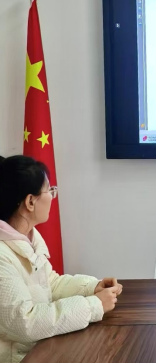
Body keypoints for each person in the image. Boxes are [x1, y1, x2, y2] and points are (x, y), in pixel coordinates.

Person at [0, 155, 123, 362]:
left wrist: (92, 287)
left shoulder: (28, 238)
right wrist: (93, 306)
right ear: (30, 201)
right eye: (49, 190)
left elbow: (51, 284)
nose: (52, 196)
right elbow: (25, 322)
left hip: (43, 350)